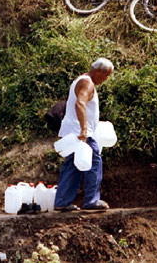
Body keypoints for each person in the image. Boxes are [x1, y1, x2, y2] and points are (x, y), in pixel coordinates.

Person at [53, 58, 113, 212]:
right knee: (94, 161)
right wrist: (84, 129)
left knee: (73, 165)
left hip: (74, 130)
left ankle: (62, 201)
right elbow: (80, 103)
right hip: (79, 132)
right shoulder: (87, 83)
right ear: (98, 71)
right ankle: (92, 200)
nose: (106, 80)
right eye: (106, 76)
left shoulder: (81, 80)